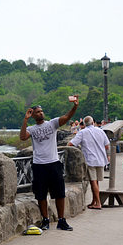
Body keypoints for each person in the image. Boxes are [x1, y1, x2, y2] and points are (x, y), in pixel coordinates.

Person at [20, 95, 78, 231]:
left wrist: (74, 106)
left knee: (59, 193)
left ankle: (61, 220)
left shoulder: (52, 124)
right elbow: (23, 137)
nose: (41, 113)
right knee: (41, 194)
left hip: (53, 163)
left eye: (41, 111)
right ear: (33, 115)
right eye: (38, 112)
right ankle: (45, 220)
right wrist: (25, 119)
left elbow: (66, 117)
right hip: (39, 165)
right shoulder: (32, 129)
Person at [67, 116, 110, 209]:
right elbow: (107, 146)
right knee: (96, 181)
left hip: (90, 159)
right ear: (93, 123)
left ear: (84, 124)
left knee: (93, 181)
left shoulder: (82, 132)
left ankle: (98, 203)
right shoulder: (100, 131)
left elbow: (71, 144)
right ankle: (94, 201)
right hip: (101, 160)